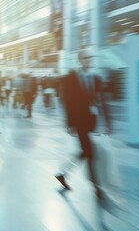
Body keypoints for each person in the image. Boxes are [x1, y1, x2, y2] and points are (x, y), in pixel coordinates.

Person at [53, 49, 111, 200]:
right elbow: (67, 102)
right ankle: (96, 186)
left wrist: (108, 121)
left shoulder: (96, 78)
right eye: (85, 58)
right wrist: (69, 123)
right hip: (79, 121)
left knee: (86, 152)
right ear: (80, 60)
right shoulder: (70, 79)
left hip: (92, 120)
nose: (89, 60)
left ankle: (63, 174)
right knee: (90, 152)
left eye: (90, 57)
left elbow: (102, 101)